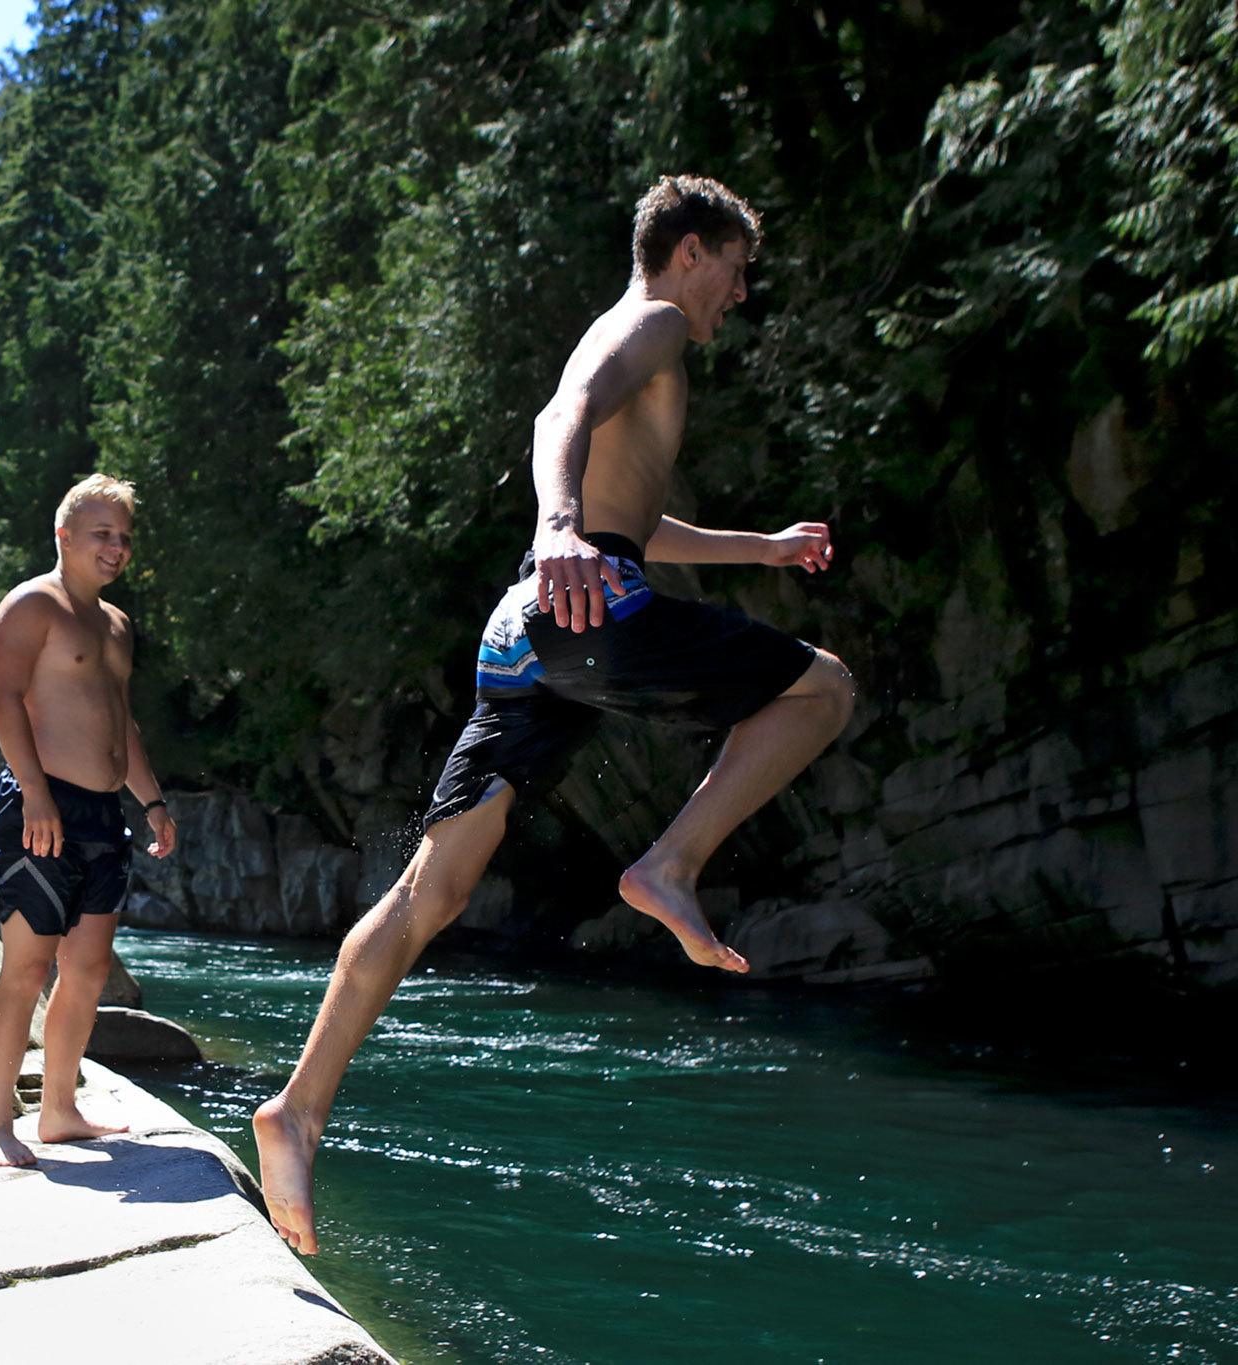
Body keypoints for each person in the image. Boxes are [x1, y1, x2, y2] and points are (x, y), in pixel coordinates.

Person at [251, 176, 858, 1254]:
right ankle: (668, 865)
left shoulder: (638, 341)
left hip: (524, 630)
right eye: (734, 267)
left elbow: (635, 515)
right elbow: (558, 416)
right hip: (581, 597)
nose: (739, 292)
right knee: (822, 688)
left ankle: (296, 1112)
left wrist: (752, 549)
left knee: (427, 890)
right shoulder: (656, 319)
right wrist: (559, 528)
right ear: (685, 251)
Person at [0, 474, 179, 1168]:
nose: (116, 547)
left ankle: (58, 1109)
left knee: (87, 970)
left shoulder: (117, 624)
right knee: (25, 969)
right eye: (102, 534)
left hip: (103, 814)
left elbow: (123, 722)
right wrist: (33, 791)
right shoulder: (33, 604)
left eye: (123, 537)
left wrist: (150, 800)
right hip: (41, 806)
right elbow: (3, 699)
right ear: (64, 535)